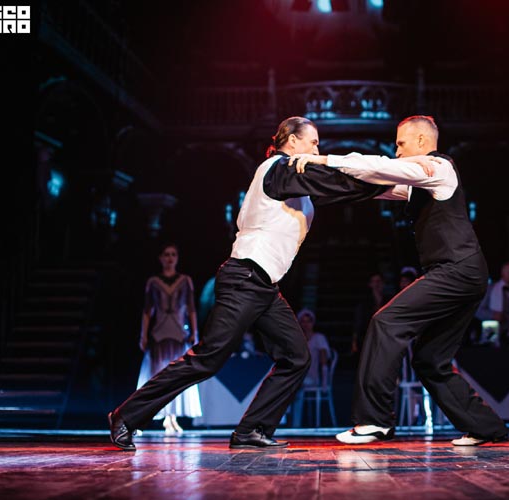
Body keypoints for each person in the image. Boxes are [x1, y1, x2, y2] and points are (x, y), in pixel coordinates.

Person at [108, 116, 431, 451]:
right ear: (292, 142)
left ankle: (252, 429)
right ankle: (126, 416)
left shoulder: (294, 179)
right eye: (313, 142)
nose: (317, 150)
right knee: (208, 358)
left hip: (263, 285)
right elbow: (335, 181)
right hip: (245, 278)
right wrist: (396, 177)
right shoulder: (279, 168)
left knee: (296, 357)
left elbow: (342, 189)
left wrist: (403, 190)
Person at [290, 115, 508, 446]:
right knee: (430, 359)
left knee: (386, 322)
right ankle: (486, 427)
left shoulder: (439, 168)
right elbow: (369, 183)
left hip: (457, 270)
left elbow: (380, 166)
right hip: (463, 274)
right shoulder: (417, 182)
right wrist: (311, 178)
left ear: (421, 141)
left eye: (401, 144)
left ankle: (374, 421)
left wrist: (323, 159)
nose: (397, 151)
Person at [136, 243, 201, 434]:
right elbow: (147, 311)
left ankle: (172, 417)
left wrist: (195, 333)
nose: (170, 258)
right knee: (158, 375)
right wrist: (143, 334)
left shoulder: (185, 280)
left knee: (177, 375)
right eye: (166, 254)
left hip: (179, 334)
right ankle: (161, 416)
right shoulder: (153, 282)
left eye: (173, 254)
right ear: (160, 258)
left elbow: (191, 309)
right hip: (160, 335)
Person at [290, 308, 332, 427]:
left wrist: (324, 382)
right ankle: (289, 423)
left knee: (295, 385)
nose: (306, 324)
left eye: (308, 321)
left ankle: (295, 425)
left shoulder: (319, 338)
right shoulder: (296, 339)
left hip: (312, 378)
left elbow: (324, 360)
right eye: (303, 321)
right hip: (298, 376)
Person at [351, 272, 391, 354]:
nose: (377, 284)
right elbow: (358, 324)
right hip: (368, 339)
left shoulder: (389, 302)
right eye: (374, 281)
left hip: (385, 339)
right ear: (370, 284)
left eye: (379, 281)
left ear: (383, 283)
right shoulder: (364, 304)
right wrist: (354, 341)